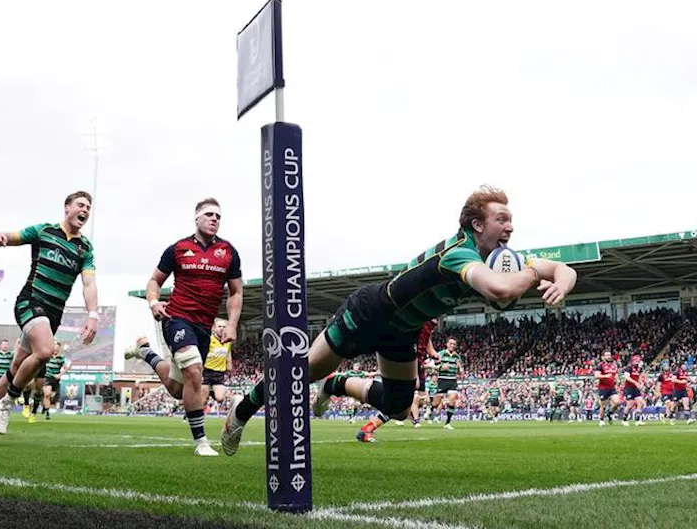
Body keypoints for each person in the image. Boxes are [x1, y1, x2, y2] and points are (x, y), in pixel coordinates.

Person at [222, 185, 578, 456]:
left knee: (397, 406)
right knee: (301, 372)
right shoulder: (458, 254)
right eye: (502, 219)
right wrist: (533, 275)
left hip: (402, 331)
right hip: (369, 313)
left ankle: (337, 385)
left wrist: (559, 283)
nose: (510, 227)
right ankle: (243, 409)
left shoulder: (501, 256)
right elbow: (501, 290)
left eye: (511, 220)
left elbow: (565, 268)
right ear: (477, 224)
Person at [0, 191, 99, 445]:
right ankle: (8, 402)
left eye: (88, 207)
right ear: (67, 207)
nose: (85, 210)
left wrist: (93, 314)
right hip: (31, 301)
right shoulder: (45, 231)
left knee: (18, 365)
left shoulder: (85, 248)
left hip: (52, 314)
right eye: (80, 205)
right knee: (46, 350)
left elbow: (89, 283)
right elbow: (15, 236)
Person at [128, 197, 243, 456]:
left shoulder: (228, 252)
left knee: (179, 389)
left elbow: (236, 292)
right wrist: (153, 302)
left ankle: (146, 352)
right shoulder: (177, 249)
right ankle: (201, 442)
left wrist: (233, 324)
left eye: (218, 216)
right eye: (209, 214)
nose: (214, 219)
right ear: (197, 218)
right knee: (194, 370)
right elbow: (154, 281)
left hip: (205, 326)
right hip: (177, 318)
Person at [432, 337, 465, 430]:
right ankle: (430, 410)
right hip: (442, 380)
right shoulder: (441, 354)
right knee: (435, 403)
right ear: (447, 344)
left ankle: (447, 423)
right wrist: (441, 367)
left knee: (452, 400)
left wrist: (460, 369)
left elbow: (461, 371)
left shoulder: (457, 356)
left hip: (452, 380)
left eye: (454, 344)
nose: (452, 345)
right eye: (451, 343)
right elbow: (432, 366)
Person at [202, 319, 233, 412]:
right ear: (214, 328)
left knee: (220, 398)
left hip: (219, 374)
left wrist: (229, 365)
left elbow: (228, 354)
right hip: (206, 372)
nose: (222, 329)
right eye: (219, 326)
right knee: (203, 400)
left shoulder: (228, 342)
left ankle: (211, 391)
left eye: (224, 327)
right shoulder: (209, 340)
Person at [41, 343, 70, 420]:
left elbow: (66, 368)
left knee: (51, 397)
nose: (55, 350)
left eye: (57, 349)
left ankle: (45, 406)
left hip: (56, 379)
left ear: (59, 349)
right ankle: (47, 413)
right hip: (47, 377)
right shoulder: (47, 356)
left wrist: (59, 375)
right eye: (54, 348)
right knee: (47, 394)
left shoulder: (61, 357)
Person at [594, 350, 622, 426]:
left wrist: (618, 379)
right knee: (603, 406)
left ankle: (609, 413)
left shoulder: (613, 365)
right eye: (607, 355)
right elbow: (596, 375)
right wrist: (605, 376)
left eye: (609, 355)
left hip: (612, 388)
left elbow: (615, 374)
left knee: (617, 402)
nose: (609, 357)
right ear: (603, 357)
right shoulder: (600, 366)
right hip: (603, 388)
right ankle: (602, 420)